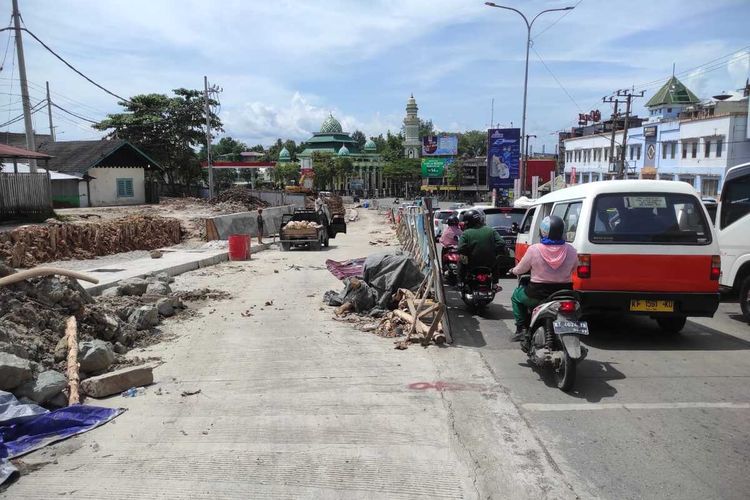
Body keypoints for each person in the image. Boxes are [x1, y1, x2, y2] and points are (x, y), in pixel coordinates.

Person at [509, 215, 578, 341]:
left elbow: (521, 269)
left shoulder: (534, 249)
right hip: (564, 294)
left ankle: (521, 329)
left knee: (516, 296)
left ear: (543, 231)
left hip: (537, 295)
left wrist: (513, 270)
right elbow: (574, 268)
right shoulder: (571, 250)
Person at [457, 209, 505, 284]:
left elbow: (460, 249)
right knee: (496, 261)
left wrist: (468, 252)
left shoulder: (466, 233)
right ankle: (495, 284)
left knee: (460, 259)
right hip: (490, 263)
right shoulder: (491, 230)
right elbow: (501, 243)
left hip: (472, 263)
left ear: (468, 222)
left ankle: (461, 282)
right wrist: (492, 250)